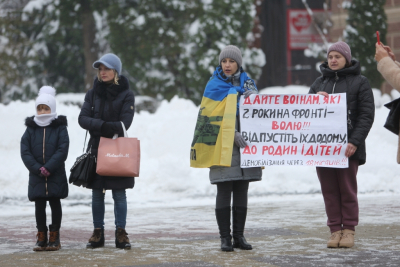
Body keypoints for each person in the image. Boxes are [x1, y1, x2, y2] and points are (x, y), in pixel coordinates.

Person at [191, 45, 261, 252]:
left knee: (242, 189)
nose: (227, 65)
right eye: (224, 61)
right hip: (222, 146)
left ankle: (239, 236)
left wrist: (254, 100)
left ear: (239, 62)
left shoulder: (249, 84)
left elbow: (261, 116)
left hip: (247, 146)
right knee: (224, 188)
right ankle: (225, 238)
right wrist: (231, 133)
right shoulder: (214, 85)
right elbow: (208, 118)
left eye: (231, 61)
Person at [309, 41, 374, 248]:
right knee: (329, 190)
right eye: (330, 57)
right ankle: (335, 230)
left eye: (337, 56)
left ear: (347, 58)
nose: (333, 60)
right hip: (323, 149)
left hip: (347, 148)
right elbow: (304, 113)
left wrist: (355, 141)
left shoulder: (360, 82)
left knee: (347, 189)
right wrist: (313, 101)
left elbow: (366, 115)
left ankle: (349, 231)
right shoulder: (319, 83)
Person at [78, 53, 135, 249]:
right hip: (96, 149)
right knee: (96, 193)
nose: (103, 72)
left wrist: (99, 127)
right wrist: (105, 126)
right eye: (100, 69)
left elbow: (124, 123)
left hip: (118, 150)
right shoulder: (92, 93)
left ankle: (121, 234)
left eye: (107, 69)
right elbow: (82, 119)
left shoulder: (126, 94)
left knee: (119, 194)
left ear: (116, 71)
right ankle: (97, 233)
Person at [20, 86, 69, 251]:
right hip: (37, 176)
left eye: (46, 108)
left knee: (55, 203)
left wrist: (49, 167)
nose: (42, 111)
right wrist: (37, 168)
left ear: (52, 108)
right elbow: (25, 151)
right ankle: (41, 235)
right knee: (39, 205)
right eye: (39, 108)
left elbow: (63, 149)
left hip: (55, 174)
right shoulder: (31, 128)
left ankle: (55, 235)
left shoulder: (59, 127)